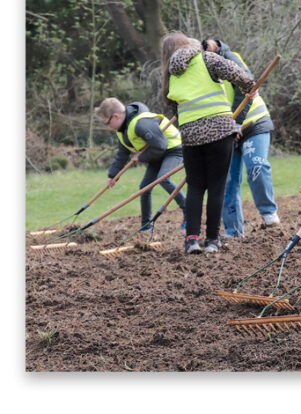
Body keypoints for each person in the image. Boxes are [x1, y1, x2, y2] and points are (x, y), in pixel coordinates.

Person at [161, 32, 254, 255]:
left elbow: (173, 107)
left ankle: (191, 239)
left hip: (190, 136)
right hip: (219, 131)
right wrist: (249, 87)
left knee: (194, 187)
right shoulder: (207, 58)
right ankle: (212, 239)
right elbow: (237, 73)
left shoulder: (171, 74)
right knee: (216, 186)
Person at [201, 38, 279, 237]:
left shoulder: (229, 58)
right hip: (226, 131)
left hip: (253, 122)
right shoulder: (199, 73)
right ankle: (233, 231)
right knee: (226, 181)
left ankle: (269, 213)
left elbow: (247, 88)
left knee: (256, 165)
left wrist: (237, 122)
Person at [94, 97, 187, 232]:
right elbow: (122, 154)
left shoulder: (141, 124)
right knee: (144, 188)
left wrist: (141, 157)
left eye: (107, 123)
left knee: (164, 178)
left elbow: (161, 145)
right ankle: (146, 225)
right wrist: (113, 175)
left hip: (173, 150)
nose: (108, 127)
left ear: (116, 116)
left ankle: (188, 212)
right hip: (156, 154)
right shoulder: (122, 130)